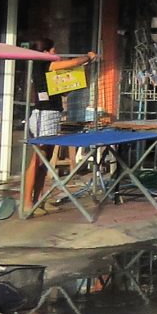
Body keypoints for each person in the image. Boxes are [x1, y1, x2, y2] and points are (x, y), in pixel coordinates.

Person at [22, 41, 96, 215]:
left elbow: (63, 90)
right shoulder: (44, 64)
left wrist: (80, 75)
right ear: (45, 51)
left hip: (53, 115)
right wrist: (87, 57)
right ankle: (27, 203)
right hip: (43, 116)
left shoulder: (49, 69)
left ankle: (39, 200)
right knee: (37, 159)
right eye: (54, 50)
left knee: (46, 160)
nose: (57, 54)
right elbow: (73, 63)